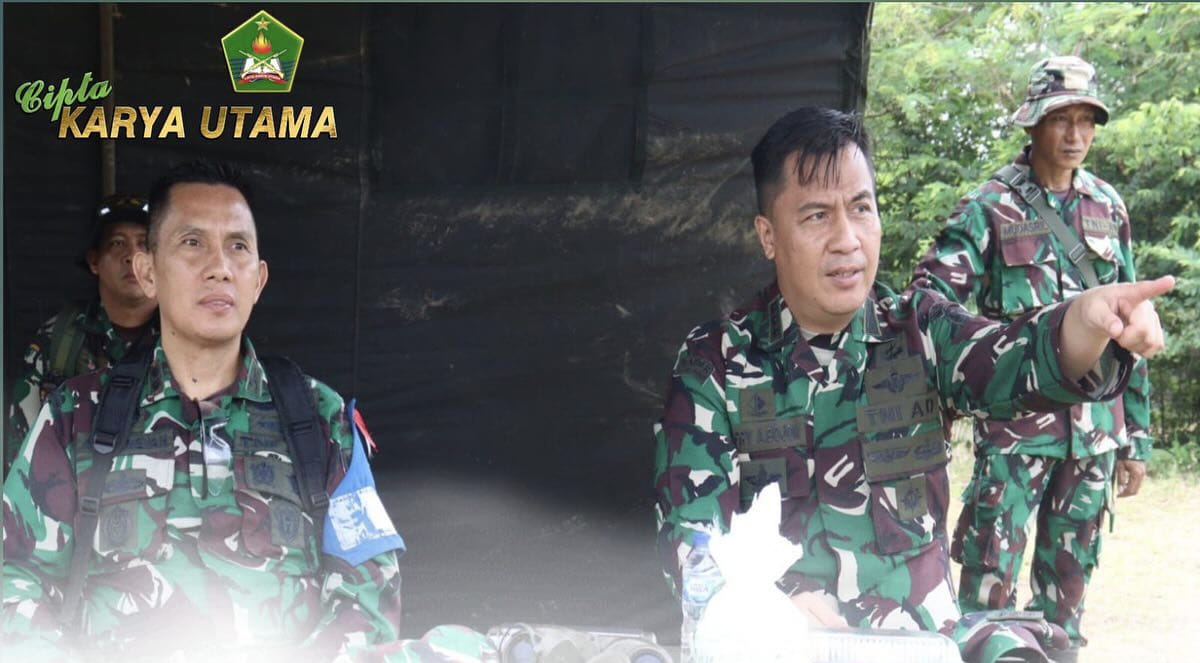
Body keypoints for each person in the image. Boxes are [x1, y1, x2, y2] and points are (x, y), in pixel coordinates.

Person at [653, 107, 1170, 663]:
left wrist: (1086, 320)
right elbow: (690, 540)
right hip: (777, 646)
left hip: (921, 644)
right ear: (768, 236)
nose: (847, 240)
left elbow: (1014, 358)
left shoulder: (921, 330)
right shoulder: (716, 363)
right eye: (816, 216)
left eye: (861, 208)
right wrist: (760, 606)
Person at [1, 161, 412, 662]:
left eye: (238, 246)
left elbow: (368, 589)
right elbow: (15, 578)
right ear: (148, 272)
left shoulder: (319, 418)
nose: (220, 267)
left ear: (258, 280)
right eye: (193, 242)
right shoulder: (75, 415)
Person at [911, 55, 1148, 656]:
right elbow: (930, 301)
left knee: (1068, 591)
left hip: (1094, 435)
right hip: (1015, 433)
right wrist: (948, 389)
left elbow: (1132, 321)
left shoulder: (1108, 206)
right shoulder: (989, 206)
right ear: (1032, 122)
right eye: (1061, 119)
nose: (1075, 135)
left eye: (1086, 120)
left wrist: (1136, 437)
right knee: (988, 584)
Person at [5, 195, 158, 474]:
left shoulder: (189, 336)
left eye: (144, 244)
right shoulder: (58, 340)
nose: (132, 256)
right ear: (94, 261)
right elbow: (21, 456)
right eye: (117, 243)